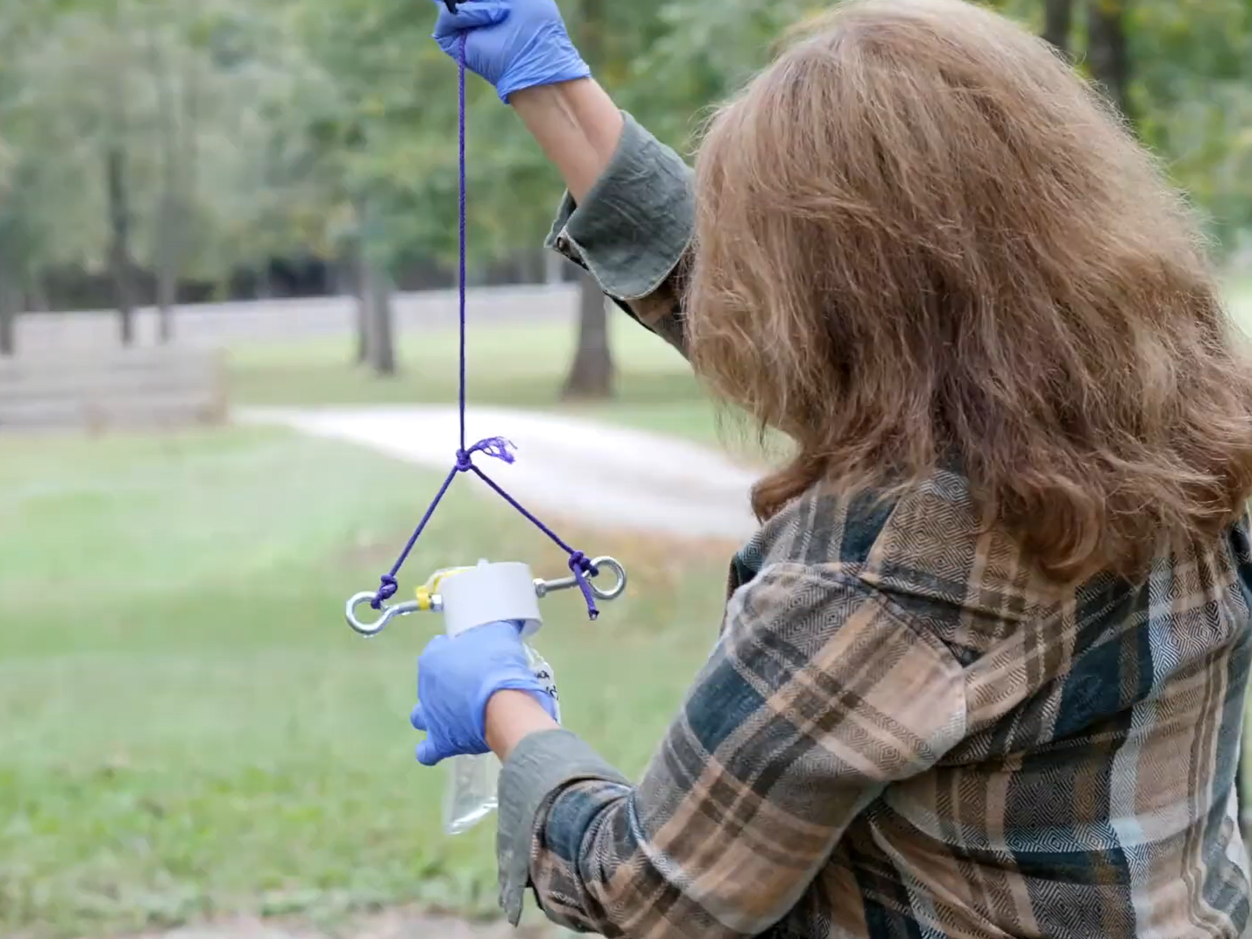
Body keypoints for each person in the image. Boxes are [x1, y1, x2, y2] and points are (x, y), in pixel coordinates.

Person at [408, 0, 1252, 936]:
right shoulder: (1184, 418)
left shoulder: (878, 578)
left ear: (837, 306)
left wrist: (505, 709)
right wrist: (556, 94)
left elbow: (653, 892)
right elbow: (834, 343)